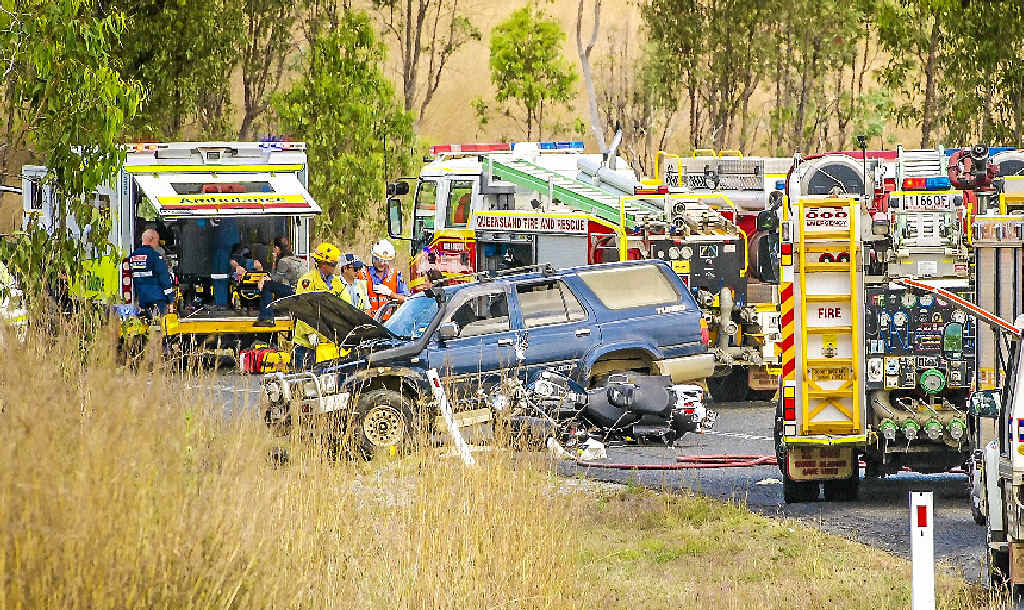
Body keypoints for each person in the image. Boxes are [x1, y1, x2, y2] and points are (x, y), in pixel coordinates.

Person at [292, 242, 346, 369]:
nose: (334, 267)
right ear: (322, 264)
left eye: (335, 264)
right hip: (306, 343)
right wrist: (310, 333)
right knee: (303, 379)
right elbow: (302, 308)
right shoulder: (307, 281)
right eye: (332, 264)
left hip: (327, 342)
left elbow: (344, 306)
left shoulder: (336, 282)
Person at [254, 236, 306, 327]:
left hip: (294, 293)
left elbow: (275, 279)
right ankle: (276, 310)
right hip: (302, 292)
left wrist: (264, 279)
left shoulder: (284, 261)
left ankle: (267, 317)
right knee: (276, 287)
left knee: (267, 286)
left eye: (274, 248)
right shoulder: (299, 260)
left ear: (277, 248)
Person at [361, 239, 410, 319]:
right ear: (373, 258)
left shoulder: (396, 275)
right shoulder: (364, 274)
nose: (382, 263)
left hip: (389, 323)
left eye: (385, 261)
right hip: (368, 322)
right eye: (379, 260)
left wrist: (391, 294)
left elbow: (406, 300)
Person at [130, 228, 174, 314]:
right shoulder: (156, 257)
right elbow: (164, 279)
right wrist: (170, 299)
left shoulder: (132, 257)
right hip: (157, 299)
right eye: (157, 240)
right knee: (158, 323)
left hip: (141, 298)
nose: (157, 244)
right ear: (151, 240)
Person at [211, 218, 240, 308]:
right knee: (219, 275)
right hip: (220, 248)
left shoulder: (228, 221)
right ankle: (220, 301)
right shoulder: (228, 221)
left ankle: (221, 302)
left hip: (223, 248)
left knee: (220, 275)